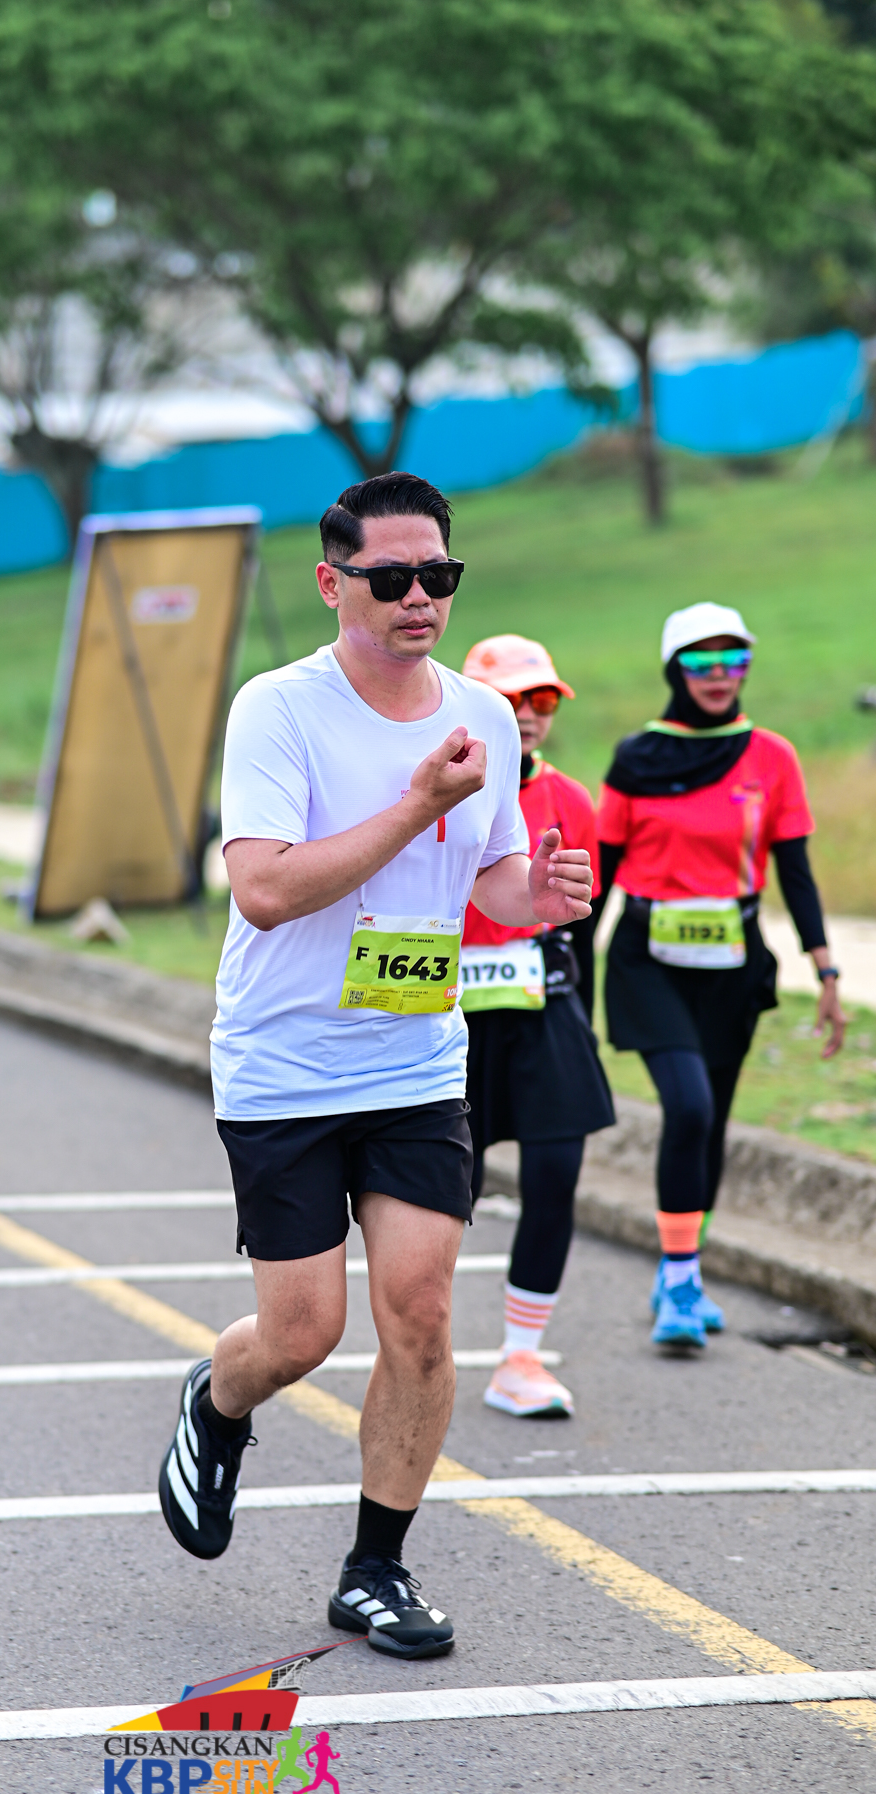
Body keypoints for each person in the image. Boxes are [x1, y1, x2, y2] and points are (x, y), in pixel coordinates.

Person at [156, 471, 593, 1659]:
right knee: (299, 1332)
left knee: (420, 1314)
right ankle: (217, 1397)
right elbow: (262, 887)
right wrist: (409, 806)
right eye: (390, 576)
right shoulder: (276, 709)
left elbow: (491, 877)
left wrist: (541, 893)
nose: (417, 598)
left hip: (415, 1061)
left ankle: (374, 1569)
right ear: (330, 581)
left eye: (436, 575)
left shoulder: (483, 716)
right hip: (285, 1064)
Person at [595, 601, 844, 1349]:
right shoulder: (637, 758)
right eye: (702, 661)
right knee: (690, 1108)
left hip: (733, 963)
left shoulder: (772, 756)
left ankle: (686, 1266)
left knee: (713, 1126)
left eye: (734, 660)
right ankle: (678, 1279)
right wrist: (566, 963)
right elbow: (603, 872)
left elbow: (794, 871)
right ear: (676, 670)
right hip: (648, 960)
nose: (719, 675)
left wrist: (825, 969)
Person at [458, 636, 615, 1418]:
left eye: (543, 699)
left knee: (556, 1175)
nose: (529, 714)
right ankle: (416, 1344)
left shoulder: (573, 800)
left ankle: (520, 1356)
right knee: (440, 1195)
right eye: (513, 700)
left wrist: (581, 1011)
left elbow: (583, 918)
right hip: (446, 1016)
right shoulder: (434, 789)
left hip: (543, 1004)